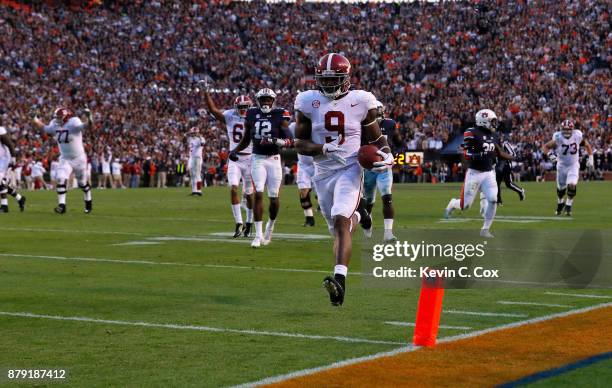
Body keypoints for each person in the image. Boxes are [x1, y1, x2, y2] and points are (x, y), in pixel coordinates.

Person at [294, 53, 391, 306]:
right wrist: (321, 149)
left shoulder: (360, 100)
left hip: (349, 168)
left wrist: (388, 154)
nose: (327, 85)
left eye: (334, 79)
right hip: (322, 172)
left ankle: (340, 281)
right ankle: (361, 216)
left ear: (346, 78)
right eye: (324, 80)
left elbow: (377, 138)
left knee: (339, 221)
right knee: (338, 227)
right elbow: (299, 143)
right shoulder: (307, 101)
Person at [229, 88, 293, 248]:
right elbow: (245, 138)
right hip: (257, 159)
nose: (266, 102)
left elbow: (289, 140)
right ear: (258, 101)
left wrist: (275, 141)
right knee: (258, 193)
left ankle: (270, 226)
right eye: (263, 99)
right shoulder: (251, 114)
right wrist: (235, 150)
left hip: (274, 159)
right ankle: (257, 235)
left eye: (268, 99)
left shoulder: (280, 114)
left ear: (273, 100)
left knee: (274, 199)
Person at [444, 109, 514, 238]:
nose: (494, 124)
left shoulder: (494, 135)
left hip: (488, 173)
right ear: (483, 121)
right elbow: (466, 154)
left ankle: (485, 229)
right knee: (465, 206)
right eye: (492, 121)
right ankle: (453, 203)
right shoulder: (471, 133)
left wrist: (513, 158)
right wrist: (481, 154)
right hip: (474, 173)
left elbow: (498, 152)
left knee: (493, 200)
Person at [203, 88, 255, 237]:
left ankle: (249, 222)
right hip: (235, 158)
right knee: (233, 188)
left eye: (245, 107)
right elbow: (213, 110)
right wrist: (206, 93)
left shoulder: (254, 117)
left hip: (251, 158)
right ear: (236, 107)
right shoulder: (230, 116)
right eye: (241, 107)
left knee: (248, 194)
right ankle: (239, 222)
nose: (243, 110)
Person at [31, 107, 94, 214]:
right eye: (57, 117)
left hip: (79, 158)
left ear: (67, 116)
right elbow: (44, 128)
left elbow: (87, 126)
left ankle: (88, 200)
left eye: (60, 117)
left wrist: (90, 118)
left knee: (82, 183)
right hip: (65, 158)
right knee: (60, 178)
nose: (58, 119)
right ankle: (62, 206)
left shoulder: (74, 122)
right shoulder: (55, 124)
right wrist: (34, 119)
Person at [362, 101, 402, 241]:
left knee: (387, 198)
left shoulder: (390, 124)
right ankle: (367, 231)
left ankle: (388, 234)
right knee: (368, 203)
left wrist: (396, 158)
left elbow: (399, 143)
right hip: (368, 168)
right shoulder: (362, 125)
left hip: (384, 167)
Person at [542, 119, 593, 216]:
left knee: (572, 185)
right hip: (561, 165)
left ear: (572, 129)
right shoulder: (558, 137)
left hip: (573, 165)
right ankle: (560, 203)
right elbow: (545, 147)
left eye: (568, 129)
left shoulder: (577, 136)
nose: (566, 131)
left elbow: (587, 145)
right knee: (561, 190)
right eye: (564, 129)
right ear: (561, 129)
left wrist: (591, 159)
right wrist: (550, 154)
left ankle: (569, 205)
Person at [290, 122, 316, 227]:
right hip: (303, 164)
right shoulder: (294, 126)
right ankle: (309, 218)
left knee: (322, 195)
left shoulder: (318, 124)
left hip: (318, 164)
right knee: (303, 191)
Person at [0, 125, 26, 212]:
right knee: (2, 183)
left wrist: (13, 157)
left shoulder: (0, 130)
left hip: (4, 159)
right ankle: (20, 198)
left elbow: (10, 144)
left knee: (0, 181)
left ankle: (4, 206)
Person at [186, 127, 205, 196]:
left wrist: (199, 137)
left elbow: (202, 144)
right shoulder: (190, 139)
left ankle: (199, 190)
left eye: (194, 133)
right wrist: (186, 134)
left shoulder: (201, 138)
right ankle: (194, 191)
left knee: (197, 174)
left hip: (198, 158)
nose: (193, 134)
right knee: (192, 174)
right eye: (192, 133)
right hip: (191, 157)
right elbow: (184, 140)